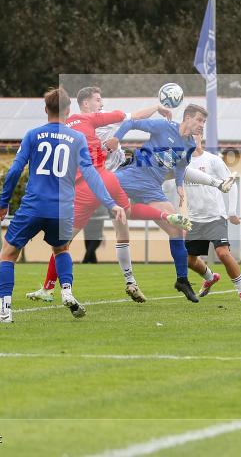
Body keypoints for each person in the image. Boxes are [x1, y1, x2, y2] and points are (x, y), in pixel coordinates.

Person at [25, 86, 194, 304]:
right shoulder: (96, 121)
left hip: (103, 183)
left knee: (89, 236)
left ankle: (128, 282)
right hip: (105, 182)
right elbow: (133, 116)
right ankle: (129, 280)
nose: (102, 103)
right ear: (85, 103)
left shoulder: (70, 126)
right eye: (98, 99)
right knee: (108, 229)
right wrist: (158, 106)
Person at [0, 88, 126, 323]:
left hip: (34, 206)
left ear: (45, 109)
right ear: (68, 110)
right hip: (61, 209)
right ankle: (67, 292)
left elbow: (14, 171)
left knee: (8, 254)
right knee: (61, 250)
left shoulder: (32, 135)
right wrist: (110, 204)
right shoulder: (78, 138)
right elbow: (91, 174)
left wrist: (3, 203)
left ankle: (5, 311)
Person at [110, 103, 217, 302]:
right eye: (199, 120)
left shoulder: (190, 144)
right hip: (132, 176)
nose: (202, 125)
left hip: (152, 187)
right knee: (97, 191)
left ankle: (182, 280)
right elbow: (131, 122)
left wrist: (179, 184)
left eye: (204, 121)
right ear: (187, 118)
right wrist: (116, 138)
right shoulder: (164, 126)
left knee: (177, 230)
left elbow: (181, 166)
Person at [184, 135, 241, 301]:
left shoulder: (213, 160)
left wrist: (232, 211)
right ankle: (210, 277)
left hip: (215, 217)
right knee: (188, 260)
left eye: (195, 134)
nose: (192, 137)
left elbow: (231, 183)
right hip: (195, 219)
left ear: (200, 137)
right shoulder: (181, 162)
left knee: (223, 253)